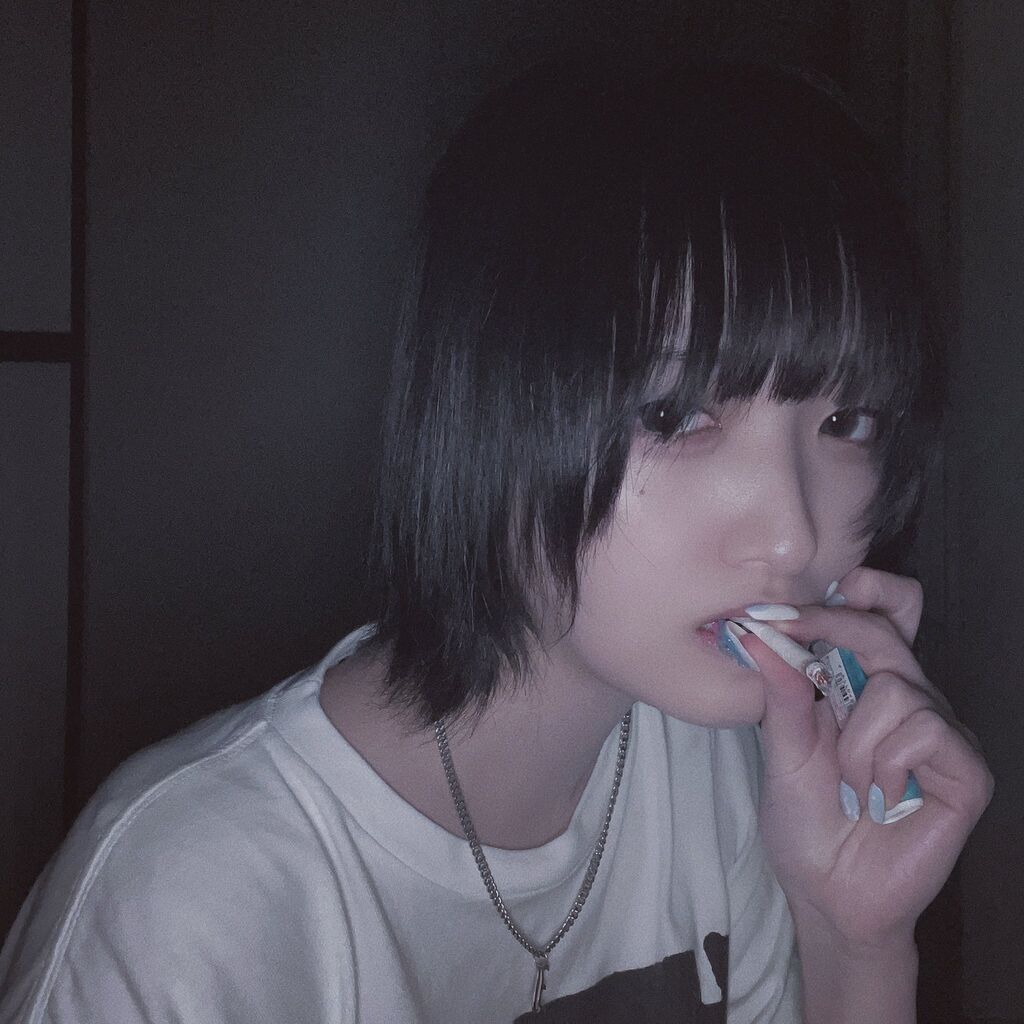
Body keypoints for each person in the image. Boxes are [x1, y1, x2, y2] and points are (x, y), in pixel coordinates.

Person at [0, 57, 993, 1023]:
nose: (794, 533)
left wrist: (855, 943)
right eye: (676, 412)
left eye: (847, 422)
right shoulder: (190, 903)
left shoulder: (744, 784)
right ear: (491, 401)